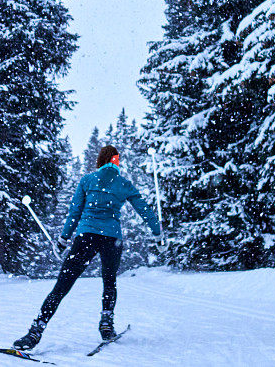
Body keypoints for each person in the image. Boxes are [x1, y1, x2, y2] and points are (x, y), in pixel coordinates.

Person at [13, 145, 165, 350]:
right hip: (112, 239)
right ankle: (106, 324)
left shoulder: (87, 181)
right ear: (114, 160)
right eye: (118, 159)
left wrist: (63, 239)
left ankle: (35, 332)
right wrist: (158, 234)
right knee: (109, 281)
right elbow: (144, 209)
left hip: (86, 236)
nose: (119, 163)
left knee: (62, 285)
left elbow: (74, 212)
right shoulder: (123, 184)